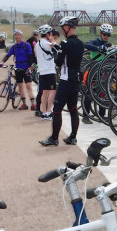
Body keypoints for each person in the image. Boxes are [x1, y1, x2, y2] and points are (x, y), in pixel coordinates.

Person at [40, 16, 84, 146]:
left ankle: (54, 138)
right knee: (73, 109)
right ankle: (73, 137)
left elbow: (58, 62)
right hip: (76, 80)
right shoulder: (81, 43)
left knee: (57, 110)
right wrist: (57, 48)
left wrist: (55, 51)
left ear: (67, 28)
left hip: (66, 80)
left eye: (62, 27)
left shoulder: (65, 43)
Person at [81, 23, 113, 123]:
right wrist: (99, 48)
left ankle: (102, 115)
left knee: (103, 92)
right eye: (104, 34)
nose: (106, 36)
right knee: (89, 93)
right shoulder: (95, 41)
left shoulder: (108, 45)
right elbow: (86, 45)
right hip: (93, 70)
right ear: (100, 33)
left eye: (108, 35)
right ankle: (85, 116)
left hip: (103, 71)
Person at [2, 29, 36, 111]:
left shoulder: (26, 45)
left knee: (28, 86)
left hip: (26, 68)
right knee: (20, 86)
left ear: (21, 35)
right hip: (18, 67)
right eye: (15, 35)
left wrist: (31, 66)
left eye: (18, 35)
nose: (17, 36)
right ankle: (24, 103)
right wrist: (2, 62)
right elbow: (8, 55)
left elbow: (31, 56)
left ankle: (33, 104)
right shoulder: (14, 47)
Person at [35, 24, 58, 120]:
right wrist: (53, 41)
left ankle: (44, 112)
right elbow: (58, 50)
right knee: (52, 91)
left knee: (44, 92)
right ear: (48, 34)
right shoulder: (48, 44)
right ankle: (49, 111)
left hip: (42, 71)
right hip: (50, 70)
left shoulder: (37, 44)